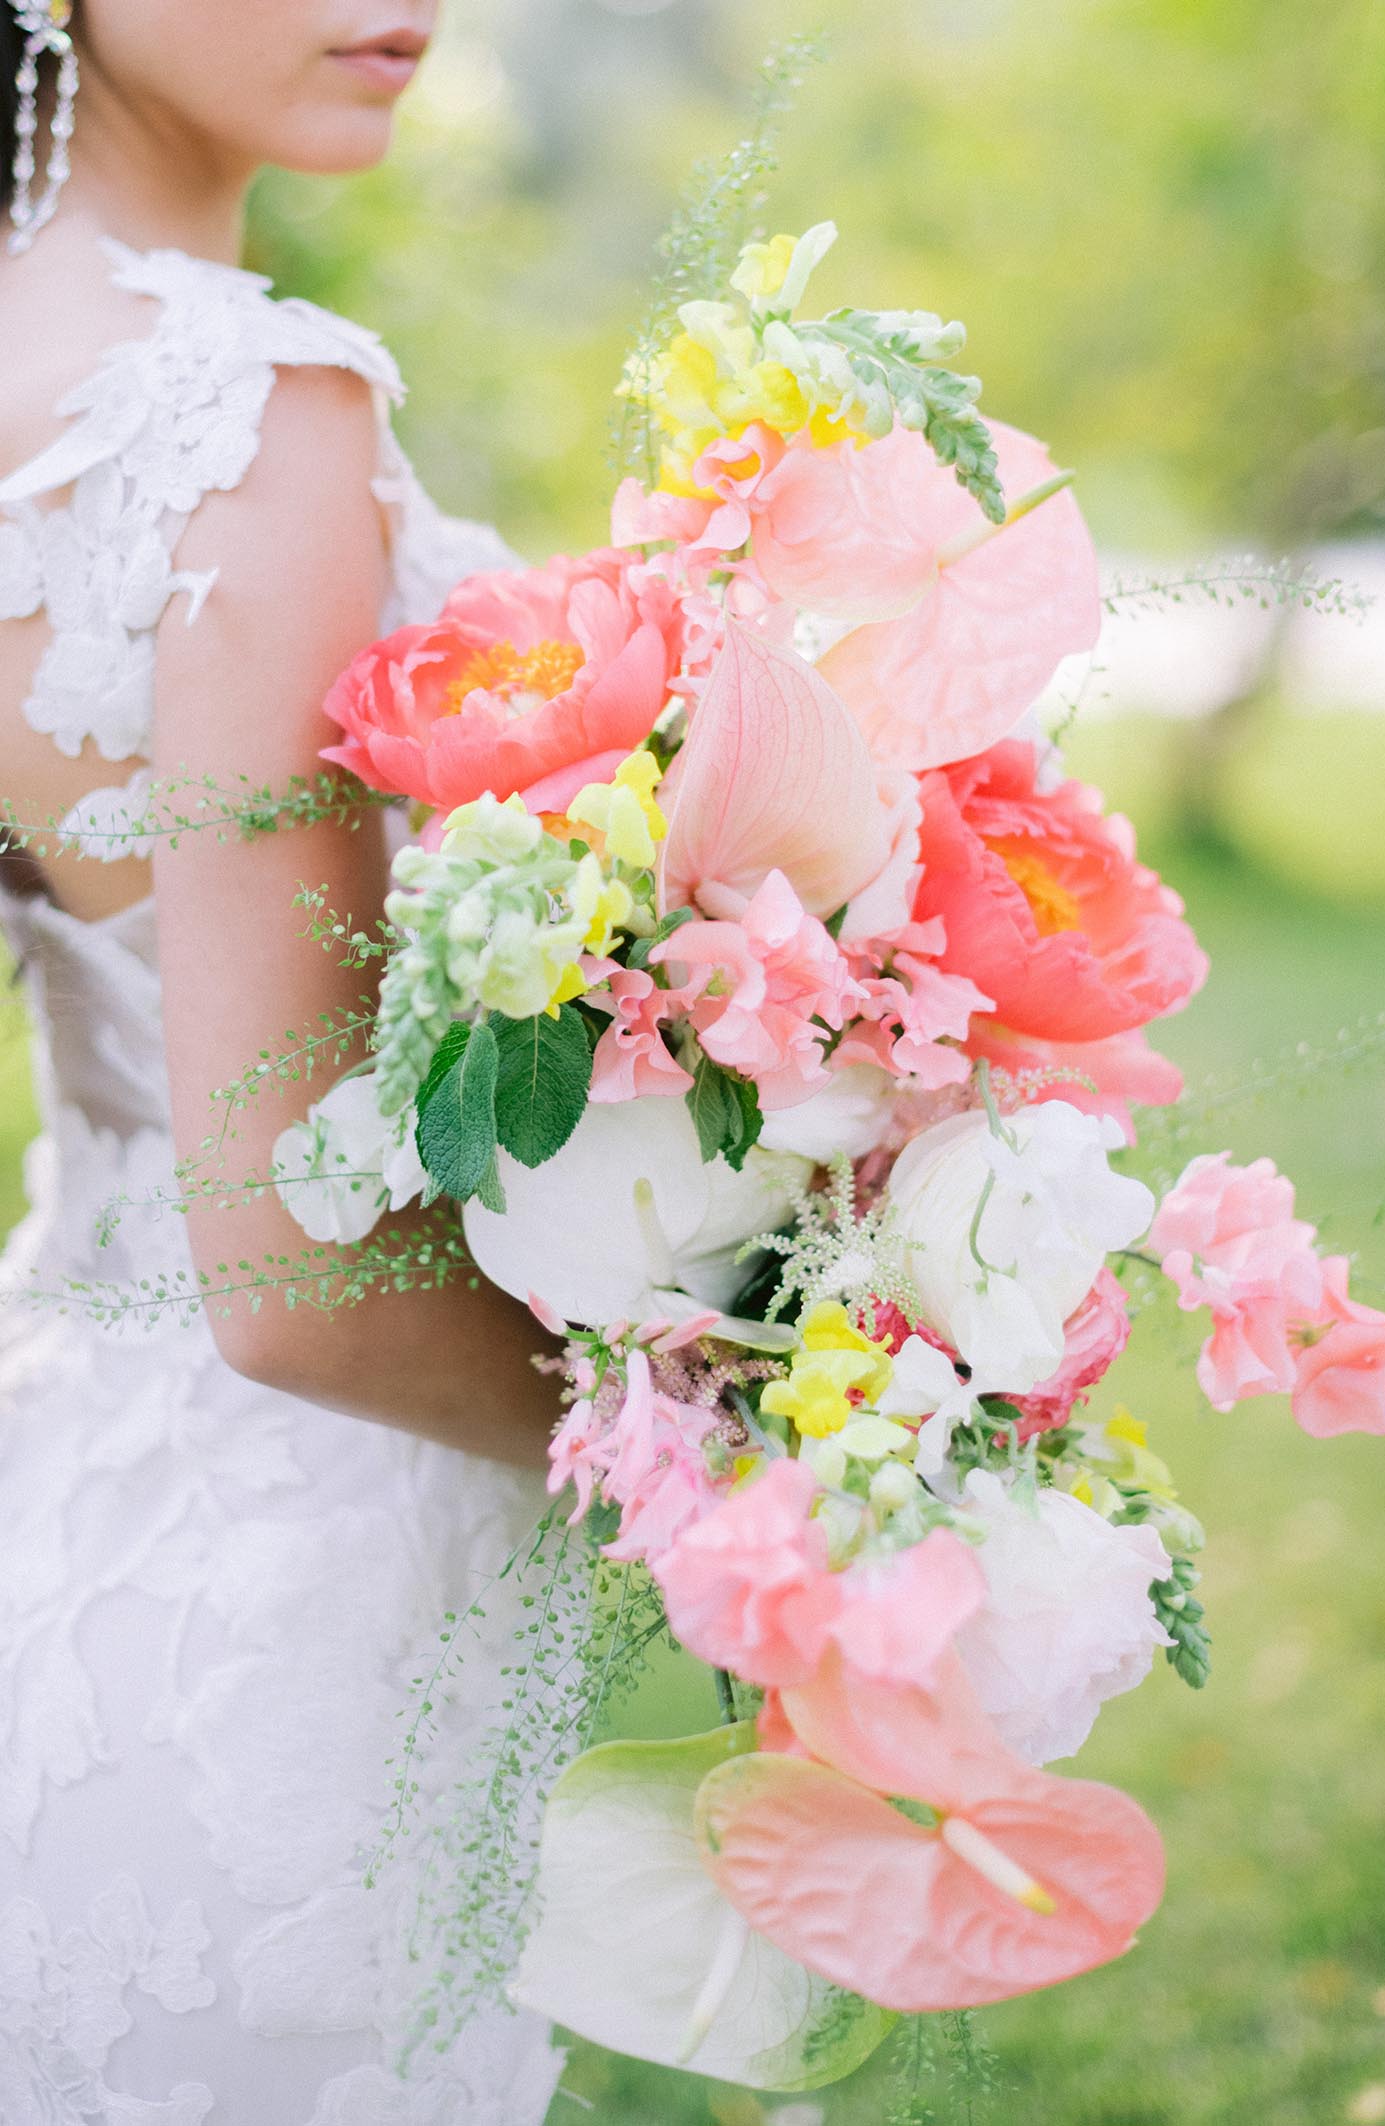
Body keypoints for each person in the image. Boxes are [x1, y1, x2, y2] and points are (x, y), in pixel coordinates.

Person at [0, 4, 569, 2117]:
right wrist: (741, 1451)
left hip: (62, 1518)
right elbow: (306, 1277)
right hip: (287, 1648)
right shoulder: (247, 407)